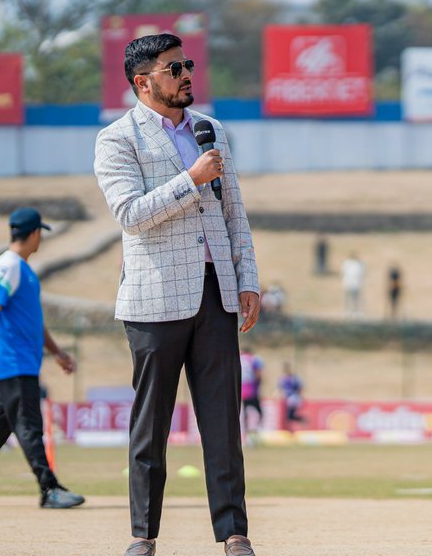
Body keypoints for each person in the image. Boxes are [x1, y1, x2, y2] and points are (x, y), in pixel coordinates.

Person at [94, 32, 261, 556]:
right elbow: (130, 216)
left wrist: (248, 278)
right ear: (143, 83)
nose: (187, 74)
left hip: (217, 294)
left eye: (187, 64)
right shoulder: (117, 139)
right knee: (151, 427)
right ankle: (143, 536)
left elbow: (234, 211)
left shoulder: (211, 130)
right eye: (174, 68)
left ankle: (234, 534)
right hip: (154, 299)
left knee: (222, 425)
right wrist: (190, 179)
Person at [0, 208, 85, 510]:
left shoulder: (22, 269)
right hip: (13, 362)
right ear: (34, 233)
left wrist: (57, 353)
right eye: (40, 234)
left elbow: (35, 322)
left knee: (2, 425)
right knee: (29, 426)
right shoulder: (8, 265)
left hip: (22, 362)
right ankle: (49, 488)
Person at [239, 347, 264, 435]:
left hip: (242, 390)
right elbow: (258, 374)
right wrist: (259, 384)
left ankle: (245, 432)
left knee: (245, 411)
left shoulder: (240, 359)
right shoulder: (254, 359)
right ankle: (259, 430)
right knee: (259, 411)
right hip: (252, 389)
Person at [277, 363, 305, 430]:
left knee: (289, 415)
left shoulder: (295, 379)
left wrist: (299, 397)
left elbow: (300, 388)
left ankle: (299, 422)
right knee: (289, 416)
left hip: (293, 398)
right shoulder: (283, 379)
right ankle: (300, 421)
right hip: (288, 398)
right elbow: (280, 388)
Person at [341, 254, 365, 318]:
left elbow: (361, 274)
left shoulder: (359, 264)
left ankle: (355, 311)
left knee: (356, 299)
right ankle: (347, 311)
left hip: (356, 284)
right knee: (348, 299)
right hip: (349, 283)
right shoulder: (347, 264)